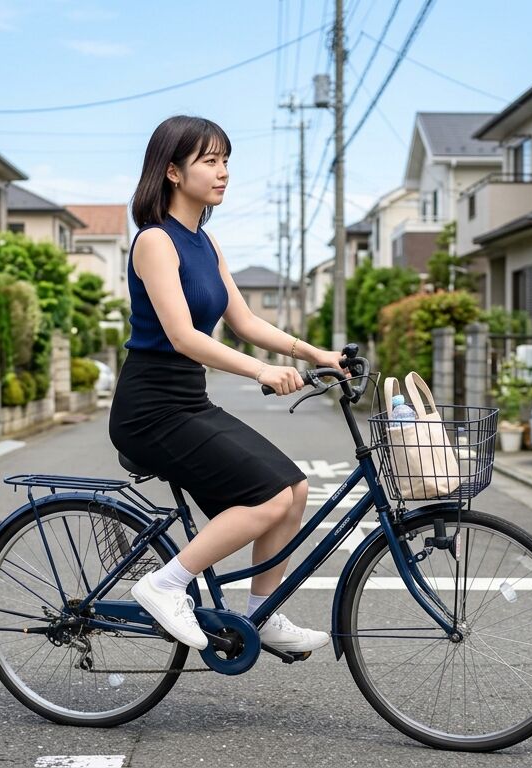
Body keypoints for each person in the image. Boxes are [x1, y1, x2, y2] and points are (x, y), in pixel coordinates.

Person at [110, 115, 343, 653]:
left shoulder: (205, 243)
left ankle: (261, 615)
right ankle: (164, 585)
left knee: (295, 491)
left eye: (225, 161)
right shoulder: (154, 242)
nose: (223, 173)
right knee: (265, 499)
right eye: (209, 161)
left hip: (189, 402)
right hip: (150, 411)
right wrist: (260, 370)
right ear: (172, 171)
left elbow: (244, 321)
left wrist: (313, 353)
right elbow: (183, 336)